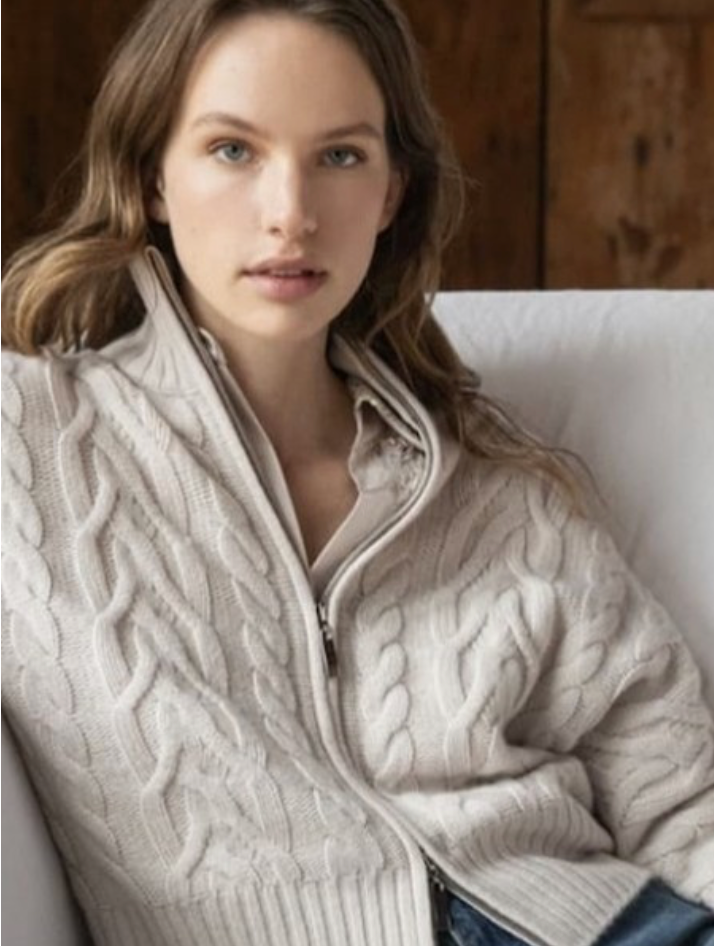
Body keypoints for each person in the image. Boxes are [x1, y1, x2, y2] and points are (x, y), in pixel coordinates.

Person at [2, 1, 713, 944]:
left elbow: (676, 794)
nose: (290, 213)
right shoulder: (30, 439)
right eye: (232, 150)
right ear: (152, 176)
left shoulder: (496, 488)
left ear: (390, 193)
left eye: (340, 155)